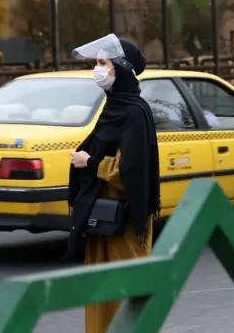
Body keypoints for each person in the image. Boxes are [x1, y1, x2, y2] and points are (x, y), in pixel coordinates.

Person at [66, 36, 161, 333]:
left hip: (125, 222)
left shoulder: (134, 113)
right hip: (103, 219)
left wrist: (89, 163)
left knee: (125, 293)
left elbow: (128, 170)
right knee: (100, 293)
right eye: (97, 63)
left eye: (103, 63)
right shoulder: (113, 107)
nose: (98, 69)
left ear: (120, 68)